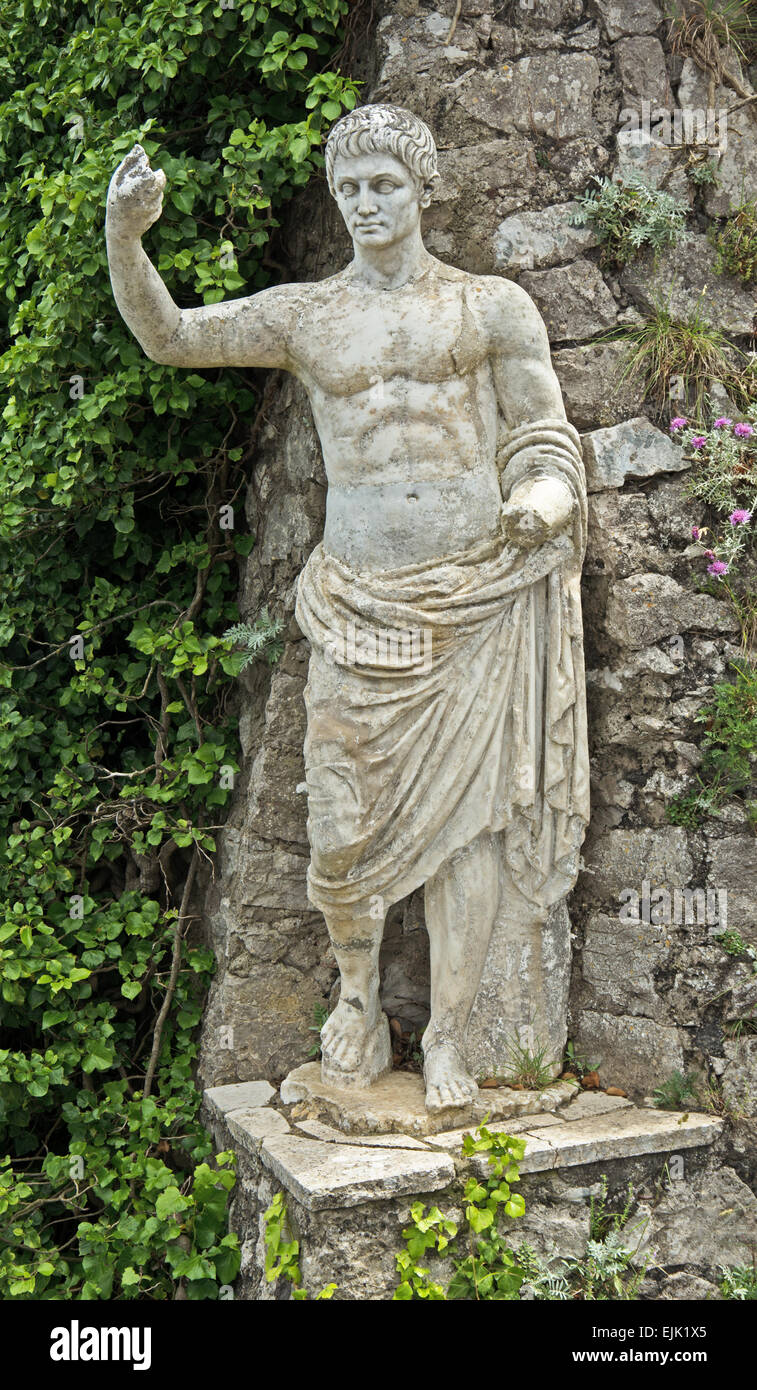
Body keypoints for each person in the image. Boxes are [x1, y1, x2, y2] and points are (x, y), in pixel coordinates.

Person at [106, 104, 589, 1112]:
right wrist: (126, 238)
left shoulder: (490, 308)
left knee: (468, 832)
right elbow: (171, 338)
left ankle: (449, 1032)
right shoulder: (306, 316)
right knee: (339, 826)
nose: (366, 203)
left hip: (469, 598)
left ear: (424, 191)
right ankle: (360, 1000)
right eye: (352, 187)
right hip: (355, 602)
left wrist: (542, 502)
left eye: (385, 185)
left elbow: (543, 436)